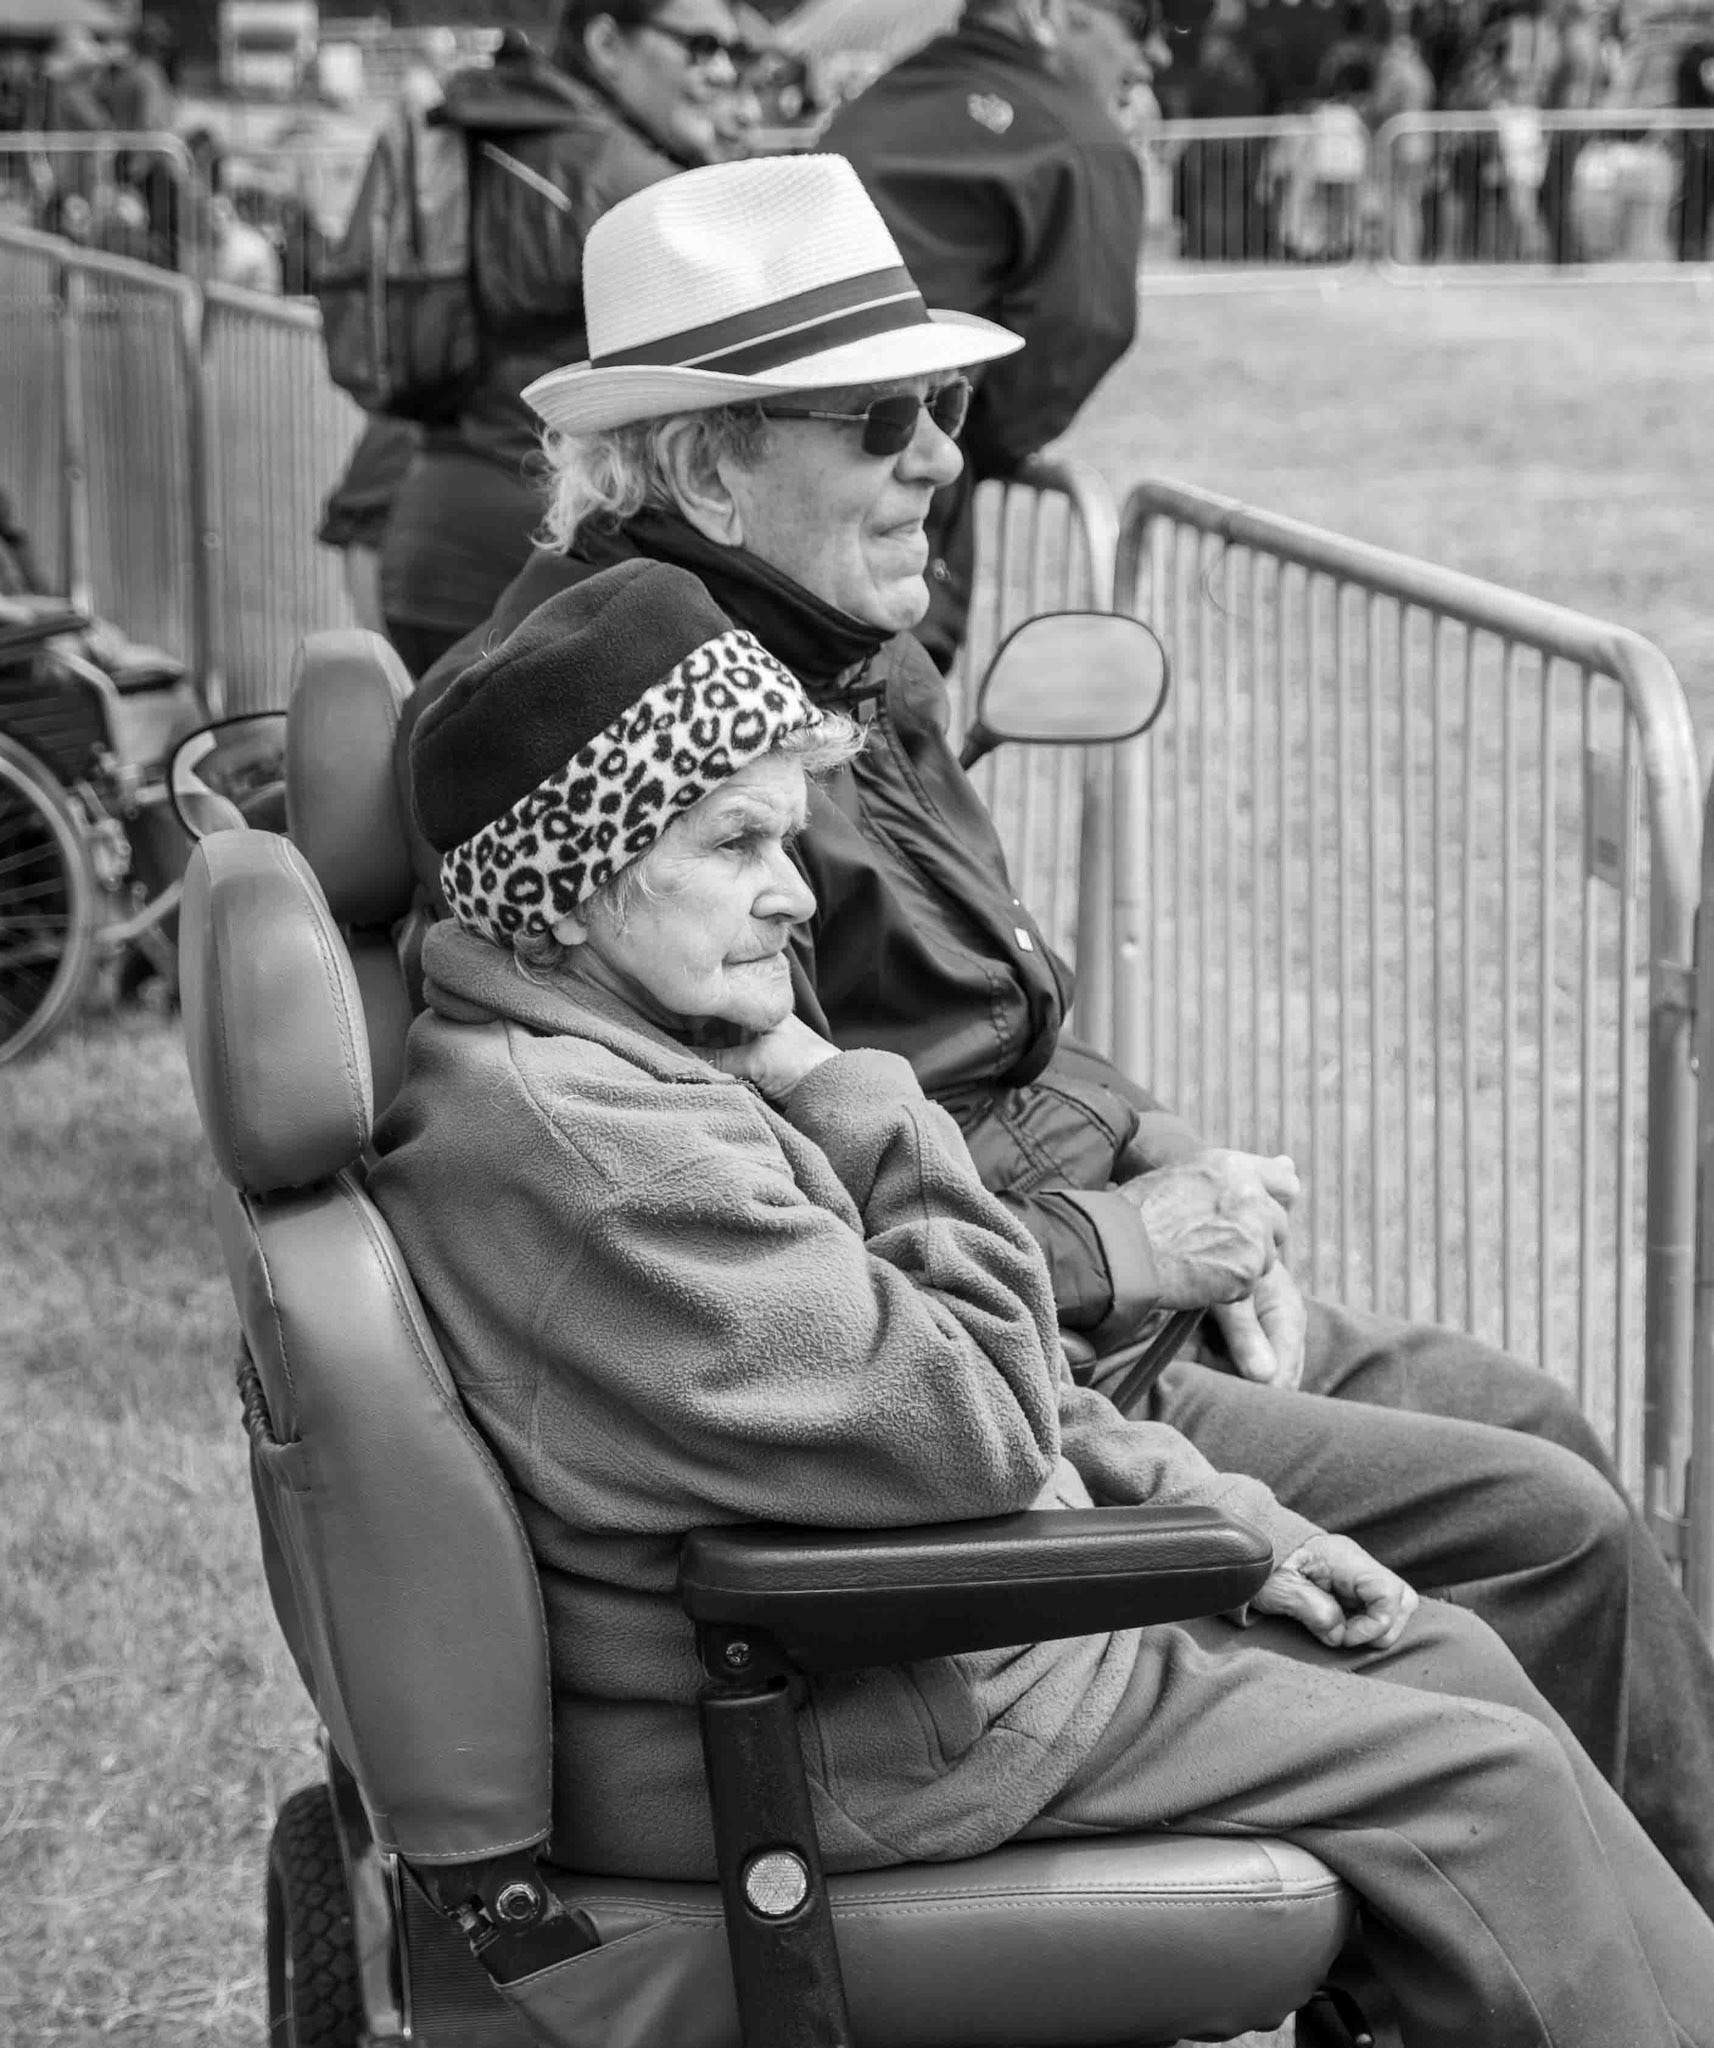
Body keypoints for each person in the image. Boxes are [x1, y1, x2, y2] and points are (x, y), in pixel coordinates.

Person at [400, 152, 1714, 1916]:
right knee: (1548, 1541)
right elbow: (798, 1262)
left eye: (941, 402)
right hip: (1014, 1396)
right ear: (710, 458)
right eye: (879, 419)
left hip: (1049, 1337)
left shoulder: (832, 650)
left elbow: (992, 1025)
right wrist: (1123, 1248)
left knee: (1539, 1453)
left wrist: (1161, 1145)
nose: (943, 454)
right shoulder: (646, 751)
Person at [374, 0, 745, 679]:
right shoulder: (626, 182)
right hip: (540, 567)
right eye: (698, 45)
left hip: (426, 538)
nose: (722, 70)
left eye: (734, 52)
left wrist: (355, 511)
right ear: (608, 41)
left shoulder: (487, 132)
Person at [821, 0, 1147, 670]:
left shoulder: (881, 99)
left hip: (758, 472)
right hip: (889, 502)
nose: (1154, 55)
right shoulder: (1078, 137)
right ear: (1050, 12)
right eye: (1137, 21)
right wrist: (960, 435)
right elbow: (1086, 328)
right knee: (881, 721)